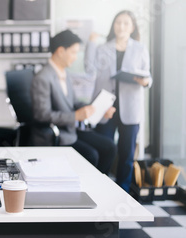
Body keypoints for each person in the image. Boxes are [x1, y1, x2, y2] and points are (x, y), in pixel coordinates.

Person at [31, 29, 116, 174]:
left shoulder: (64, 72)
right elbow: (42, 115)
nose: (76, 57)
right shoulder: (42, 78)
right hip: (56, 134)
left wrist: (98, 109)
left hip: (69, 129)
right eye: (74, 52)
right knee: (91, 155)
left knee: (109, 147)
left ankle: (98, 185)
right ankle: (88, 188)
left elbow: (74, 102)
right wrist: (75, 116)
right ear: (60, 51)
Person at [85, 10, 152, 192]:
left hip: (130, 108)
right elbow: (89, 69)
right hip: (105, 108)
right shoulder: (103, 48)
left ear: (132, 27)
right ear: (113, 26)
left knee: (127, 155)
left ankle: (122, 192)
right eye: (118, 23)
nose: (121, 26)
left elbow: (148, 76)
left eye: (125, 23)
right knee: (103, 150)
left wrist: (145, 81)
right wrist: (91, 42)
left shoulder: (140, 48)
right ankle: (99, 190)